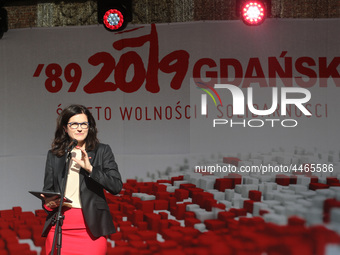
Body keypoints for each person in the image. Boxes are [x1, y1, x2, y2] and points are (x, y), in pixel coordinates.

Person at [41, 104, 122, 255]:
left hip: (91, 230)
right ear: (65, 128)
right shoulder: (55, 155)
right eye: (74, 124)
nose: (79, 128)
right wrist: (48, 202)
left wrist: (90, 169)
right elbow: (48, 190)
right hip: (60, 227)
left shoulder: (102, 151)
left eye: (84, 124)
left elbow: (116, 186)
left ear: (89, 127)